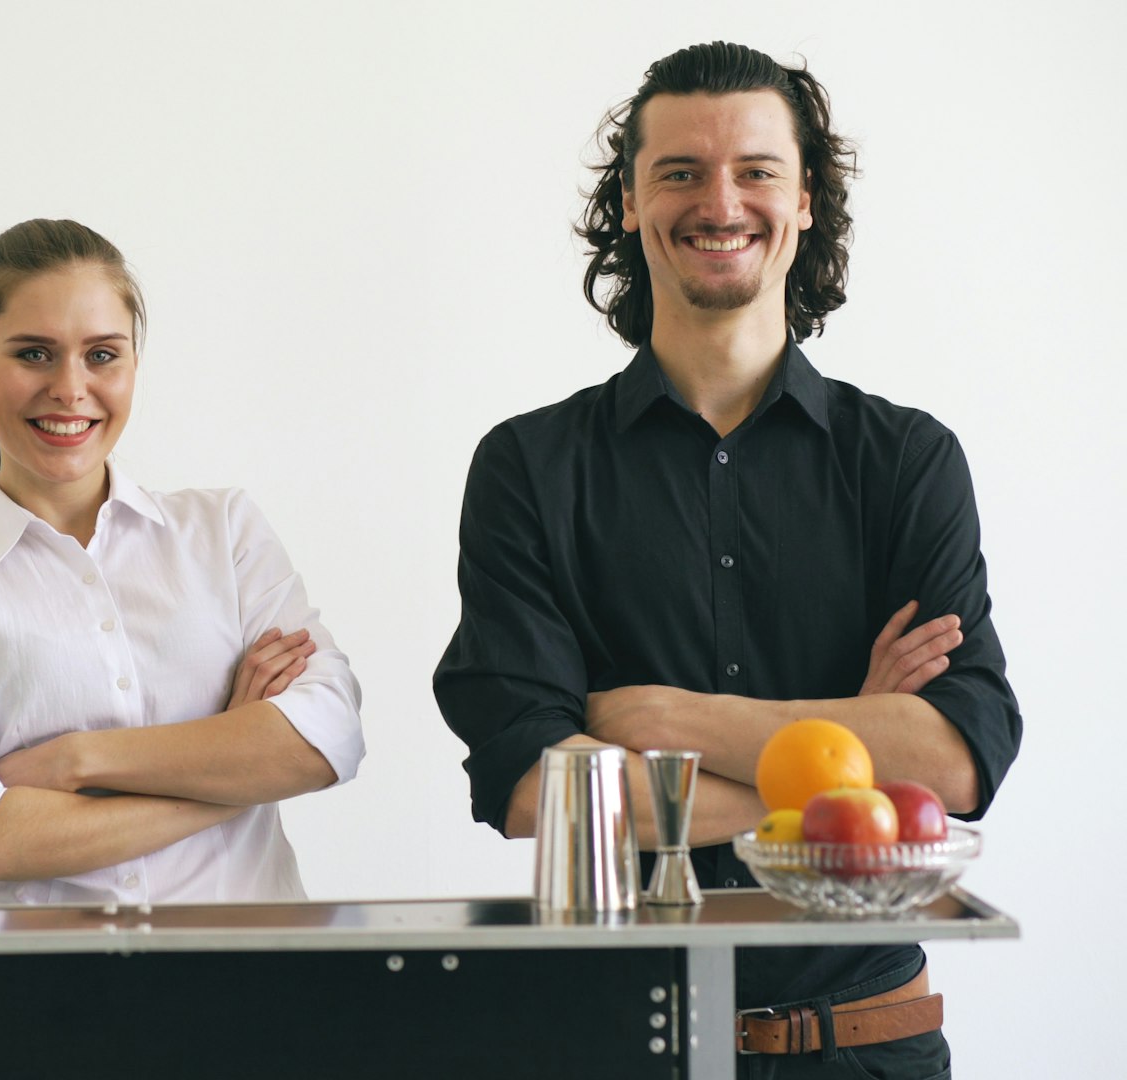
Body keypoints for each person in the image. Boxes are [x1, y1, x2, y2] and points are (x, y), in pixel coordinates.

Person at [433, 42, 1020, 1078]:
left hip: (865, 1046)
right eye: (680, 172)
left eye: (756, 171)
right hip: (611, 1043)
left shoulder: (907, 462)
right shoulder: (528, 467)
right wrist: (844, 782)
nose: (721, 201)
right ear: (629, 202)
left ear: (804, 203)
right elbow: (537, 793)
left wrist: (657, 726)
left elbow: (957, 763)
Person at [0, 219, 363, 904]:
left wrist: (77, 761)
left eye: (102, 355)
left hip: (252, 983)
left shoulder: (224, 531)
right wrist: (229, 776)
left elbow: (328, 736)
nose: (71, 389)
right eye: (34, 354)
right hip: (45, 995)